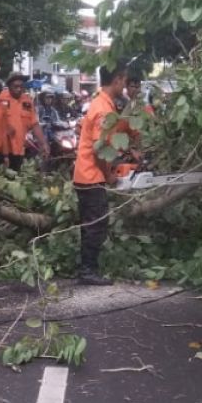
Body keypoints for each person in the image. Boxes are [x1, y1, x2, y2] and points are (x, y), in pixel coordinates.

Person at [72, 65, 134, 285]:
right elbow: (100, 149)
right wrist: (109, 174)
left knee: (91, 223)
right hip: (91, 175)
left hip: (88, 174)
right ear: (117, 79)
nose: (125, 85)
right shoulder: (102, 109)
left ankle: (87, 267)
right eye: (124, 80)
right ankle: (88, 270)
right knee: (96, 224)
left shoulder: (105, 104)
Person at [4, 72, 48, 171]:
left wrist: (43, 143)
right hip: (2, 151)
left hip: (19, 150)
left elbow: (34, 124)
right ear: (9, 86)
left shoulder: (27, 101)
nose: (19, 89)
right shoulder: (0, 99)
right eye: (16, 86)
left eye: (21, 86)